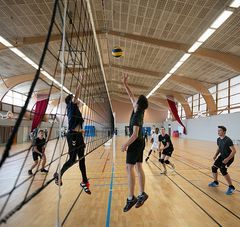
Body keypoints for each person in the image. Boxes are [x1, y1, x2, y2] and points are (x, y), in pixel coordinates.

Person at [54, 84, 91, 194]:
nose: (78, 100)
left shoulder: (76, 110)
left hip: (78, 135)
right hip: (72, 136)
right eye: (75, 98)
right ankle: (59, 175)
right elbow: (75, 98)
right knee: (72, 159)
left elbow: (77, 125)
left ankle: (84, 181)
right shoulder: (71, 105)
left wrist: (81, 131)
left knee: (82, 159)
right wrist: (79, 85)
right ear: (71, 100)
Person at [121, 73, 149, 212]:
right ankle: (142, 194)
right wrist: (125, 84)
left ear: (139, 104)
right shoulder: (137, 108)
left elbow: (134, 134)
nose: (134, 100)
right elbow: (131, 96)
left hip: (136, 141)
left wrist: (125, 144)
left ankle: (131, 198)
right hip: (141, 142)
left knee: (129, 168)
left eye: (137, 100)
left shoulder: (137, 115)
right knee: (138, 167)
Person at [208, 126, 236, 195]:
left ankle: (231, 187)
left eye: (220, 130)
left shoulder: (228, 140)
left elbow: (234, 151)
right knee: (214, 167)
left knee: (222, 169)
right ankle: (215, 182)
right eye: (218, 130)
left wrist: (227, 159)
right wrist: (215, 155)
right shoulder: (218, 139)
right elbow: (219, 148)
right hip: (222, 156)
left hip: (229, 157)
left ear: (224, 132)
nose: (218, 132)